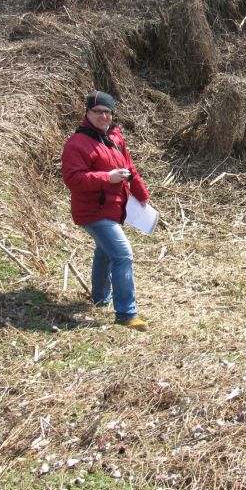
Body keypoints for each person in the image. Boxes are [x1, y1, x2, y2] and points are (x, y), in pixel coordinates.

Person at [61, 91, 151, 330]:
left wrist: (141, 196)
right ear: (87, 113)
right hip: (93, 211)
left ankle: (100, 298)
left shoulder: (114, 138)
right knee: (122, 254)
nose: (103, 116)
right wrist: (107, 178)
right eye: (98, 111)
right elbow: (73, 180)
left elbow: (130, 169)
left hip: (113, 208)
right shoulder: (77, 143)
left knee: (105, 251)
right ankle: (126, 314)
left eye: (108, 112)